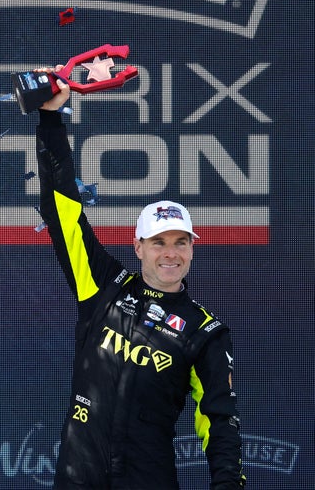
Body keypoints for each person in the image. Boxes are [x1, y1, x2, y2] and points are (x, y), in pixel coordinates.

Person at [34, 72, 245, 489]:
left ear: (192, 248)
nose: (171, 253)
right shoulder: (103, 286)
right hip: (78, 477)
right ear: (138, 247)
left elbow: (220, 422)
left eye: (181, 242)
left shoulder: (205, 332)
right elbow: (62, 212)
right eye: (159, 242)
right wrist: (51, 121)